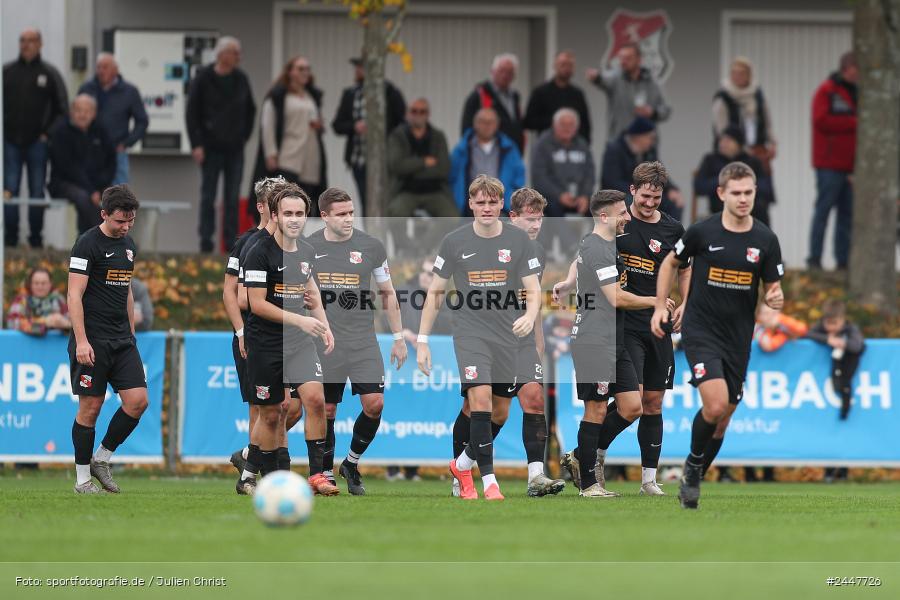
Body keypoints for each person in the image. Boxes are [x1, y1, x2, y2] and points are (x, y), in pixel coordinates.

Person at [651, 161, 784, 509]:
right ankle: (692, 472)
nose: (743, 199)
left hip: (738, 338)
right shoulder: (702, 232)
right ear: (722, 193)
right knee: (715, 404)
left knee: (723, 420)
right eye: (736, 193)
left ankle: (695, 471)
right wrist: (660, 306)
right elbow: (670, 263)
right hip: (701, 330)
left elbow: (773, 290)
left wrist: (774, 300)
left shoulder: (766, 240)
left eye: (749, 193)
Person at [559, 163, 689, 495]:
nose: (649, 203)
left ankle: (645, 479)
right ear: (633, 191)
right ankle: (591, 467)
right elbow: (590, 260)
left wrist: (684, 303)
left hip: (653, 325)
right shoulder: (614, 228)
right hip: (618, 327)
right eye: (645, 196)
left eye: (656, 198)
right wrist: (571, 279)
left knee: (649, 402)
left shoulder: (672, 231)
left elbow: (686, 268)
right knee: (609, 404)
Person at [417, 175, 542, 500]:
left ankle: (461, 464)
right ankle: (489, 482)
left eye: (492, 202)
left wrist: (529, 316)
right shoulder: (454, 241)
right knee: (480, 400)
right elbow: (435, 292)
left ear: (501, 204)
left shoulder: (519, 240)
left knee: (499, 412)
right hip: (471, 334)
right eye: (480, 202)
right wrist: (422, 339)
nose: (486, 208)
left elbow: (533, 288)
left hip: (507, 334)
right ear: (470, 204)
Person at [449, 187, 566, 497]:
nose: (535, 226)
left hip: (522, 338)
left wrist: (538, 341)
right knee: (479, 409)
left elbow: (533, 300)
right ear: (512, 216)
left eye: (540, 219)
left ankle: (536, 475)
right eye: (530, 219)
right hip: (486, 336)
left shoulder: (536, 251)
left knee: (534, 398)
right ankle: (460, 468)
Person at [238, 183, 338, 496]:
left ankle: (318, 475)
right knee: (271, 414)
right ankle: (257, 476)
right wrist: (300, 319)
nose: (294, 219)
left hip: (299, 342)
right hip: (265, 343)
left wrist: (324, 325)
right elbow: (256, 304)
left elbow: (312, 292)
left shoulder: (307, 252)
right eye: (288, 213)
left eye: (299, 213)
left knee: (316, 400)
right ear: (276, 216)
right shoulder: (258, 252)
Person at [307, 187, 407, 494]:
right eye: (341, 214)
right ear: (324, 216)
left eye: (351, 212)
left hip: (363, 339)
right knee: (326, 410)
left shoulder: (371, 246)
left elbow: (388, 293)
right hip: (325, 341)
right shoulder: (308, 248)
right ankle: (325, 474)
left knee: (374, 404)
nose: (349, 219)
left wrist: (399, 337)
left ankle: (351, 462)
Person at [67, 185, 147, 494]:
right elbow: (74, 295)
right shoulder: (86, 244)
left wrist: (131, 330)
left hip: (122, 339)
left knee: (138, 401)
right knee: (91, 408)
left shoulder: (128, 245)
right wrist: (82, 340)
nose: (125, 227)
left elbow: (125, 288)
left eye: (130, 222)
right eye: (119, 221)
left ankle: (102, 458)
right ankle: (83, 480)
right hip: (93, 340)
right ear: (104, 214)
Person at [224, 177, 286, 485]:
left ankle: (251, 456)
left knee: (288, 408)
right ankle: (262, 478)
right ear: (263, 207)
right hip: (256, 333)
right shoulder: (248, 243)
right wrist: (240, 331)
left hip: (288, 336)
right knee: (262, 409)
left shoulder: (292, 243)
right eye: (277, 201)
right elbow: (233, 294)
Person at [384, 258, 453, 482]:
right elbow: (386, 320)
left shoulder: (443, 300)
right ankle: (392, 468)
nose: (426, 276)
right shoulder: (402, 292)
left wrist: (424, 339)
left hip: (429, 368)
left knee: (420, 413)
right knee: (397, 413)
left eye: (431, 274)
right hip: (402, 364)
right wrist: (402, 332)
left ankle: (413, 469)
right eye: (424, 272)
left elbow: (449, 327)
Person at [186, 36, 256, 253]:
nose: (238, 57)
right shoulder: (204, 78)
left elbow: (250, 110)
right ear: (222, 55)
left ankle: (231, 242)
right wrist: (196, 144)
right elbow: (192, 113)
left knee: (232, 197)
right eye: (235, 52)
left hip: (234, 148)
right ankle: (205, 242)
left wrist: (243, 136)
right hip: (209, 148)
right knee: (208, 195)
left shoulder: (241, 79)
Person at [3, 28, 68, 248]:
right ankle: (10, 240)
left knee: (37, 191)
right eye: (22, 40)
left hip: (37, 145)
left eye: (31, 40)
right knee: (9, 190)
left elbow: (63, 109)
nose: (26, 44)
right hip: (10, 142)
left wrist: (46, 134)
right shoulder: (7, 72)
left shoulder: (49, 73)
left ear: (40, 44)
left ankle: (36, 240)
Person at [250, 56, 327, 213]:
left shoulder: (311, 96)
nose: (305, 72)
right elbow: (268, 124)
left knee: (306, 205)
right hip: (288, 157)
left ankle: (300, 237)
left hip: (310, 159)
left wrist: (318, 125)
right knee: (285, 203)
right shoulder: (278, 96)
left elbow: (314, 120)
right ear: (290, 72)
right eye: (300, 68)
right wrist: (271, 153)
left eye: (307, 69)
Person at [331, 56, 406, 211]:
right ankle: (372, 234)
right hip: (359, 160)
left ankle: (387, 234)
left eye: (361, 67)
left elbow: (402, 122)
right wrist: (354, 126)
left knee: (388, 202)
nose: (357, 70)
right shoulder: (351, 94)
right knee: (367, 204)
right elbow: (337, 125)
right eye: (357, 67)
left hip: (384, 161)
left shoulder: (389, 91)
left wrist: (382, 131)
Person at [808, 51, 858, 270]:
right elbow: (821, 120)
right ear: (848, 68)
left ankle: (842, 260)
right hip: (828, 164)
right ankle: (815, 259)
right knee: (823, 211)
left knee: (846, 215)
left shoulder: (858, 92)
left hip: (850, 166)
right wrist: (853, 122)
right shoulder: (827, 91)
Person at [48, 94, 117, 235]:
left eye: (87, 111)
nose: (82, 115)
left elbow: (111, 162)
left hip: (96, 185)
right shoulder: (60, 132)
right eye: (79, 110)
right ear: (72, 112)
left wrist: (98, 188)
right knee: (83, 198)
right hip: (65, 183)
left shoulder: (101, 131)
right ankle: (106, 238)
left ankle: (102, 240)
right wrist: (92, 190)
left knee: (115, 197)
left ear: (93, 113)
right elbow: (68, 168)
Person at [78, 53, 148, 185]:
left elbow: (142, 121)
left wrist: (127, 143)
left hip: (117, 152)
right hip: (89, 151)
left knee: (118, 196)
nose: (101, 71)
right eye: (98, 67)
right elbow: (75, 116)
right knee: (88, 195)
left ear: (115, 70)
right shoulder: (87, 88)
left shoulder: (129, 91)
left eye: (105, 67)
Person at [386, 98, 458, 222]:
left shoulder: (438, 137)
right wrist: (424, 162)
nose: (418, 115)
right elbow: (396, 166)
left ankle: (430, 242)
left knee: (452, 217)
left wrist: (410, 168)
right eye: (414, 111)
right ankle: (404, 243)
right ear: (408, 113)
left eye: (422, 111)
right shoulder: (397, 136)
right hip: (405, 191)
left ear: (428, 114)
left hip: (435, 191)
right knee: (395, 214)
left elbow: (443, 169)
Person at [531, 108, 594, 249]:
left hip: (579, 197)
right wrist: (559, 195)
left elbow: (590, 175)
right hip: (552, 197)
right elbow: (539, 178)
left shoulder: (582, 145)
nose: (567, 128)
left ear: (576, 127)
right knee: (553, 208)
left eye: (571, 125)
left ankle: (596, 247)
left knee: (598, 208)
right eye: (563, 124)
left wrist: (585, 195)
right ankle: (570, 246)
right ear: (554, 125)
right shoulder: (543, 145)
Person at [600, 117, 683, 220]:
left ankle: (668, 235)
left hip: (644, 193)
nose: (652, 142)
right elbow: (611, 181)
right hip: (621, 195)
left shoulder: (649, 152)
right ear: (639, 137)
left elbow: (659, 173)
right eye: (650, 138)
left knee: (673, 203)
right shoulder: (615, 150)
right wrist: (638, 191)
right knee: (631, 202)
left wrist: (671, 189)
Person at [587, 43, 671, 140]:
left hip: (646, 143)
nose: (623, 61)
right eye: (621, 58)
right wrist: (597, 78)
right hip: (619, 142)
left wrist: (653, 113)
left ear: (639, 60)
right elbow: (603, 79)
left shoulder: (653, 83)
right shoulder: (614, 78)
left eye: (628, 58)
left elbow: (666, 109)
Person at [449, 107, 524, 214]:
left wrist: (510, 200)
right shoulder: (462, 149)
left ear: (497, 125)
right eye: (482, 122)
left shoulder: (509, 148)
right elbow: (452, 177)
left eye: (491, 122)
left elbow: (519, 178)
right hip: (470, 207)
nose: (487, 126)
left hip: (501, 207)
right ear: (475, 124)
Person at [694, 125, 774, 225]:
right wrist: (724, 178)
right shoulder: (711, 160)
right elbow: (699, 187)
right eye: (722, 140)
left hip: (751, 214)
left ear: (738, 144)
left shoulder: (752, 161)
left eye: (728, 141)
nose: (723, 144)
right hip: (719, 212)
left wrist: (745, 183)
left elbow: (767, 190)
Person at [712, 57, 776, 173]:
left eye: (741, 73)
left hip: (758, 149)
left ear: (749, 75)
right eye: (734, 73)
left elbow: (767, 121)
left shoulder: (757, 94)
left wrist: (772, 142)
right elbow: (722, 130)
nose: (737, 76)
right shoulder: (723, 97)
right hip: (733, 153)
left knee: (762, 185)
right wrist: (739, 148)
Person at [807, 299, 865, 422]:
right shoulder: (821, 326)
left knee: (845, 383)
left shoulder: (850, 328)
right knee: (836, 383)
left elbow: (857, 346)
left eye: (835, 323)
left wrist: (842, 343)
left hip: (849, 359)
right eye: (828, 323)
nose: (831, 327)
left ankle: (845, 411)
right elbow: (807, 333)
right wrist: (827, 339)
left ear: (842, 320)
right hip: (835, 361)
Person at [523, 50, 591, 143]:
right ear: (555, 66)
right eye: (563, 65)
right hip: (547, 146)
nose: (566, 68)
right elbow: (529, 122)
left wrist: (585, 145)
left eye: (570, 65)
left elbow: (585, 124)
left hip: (572, 146)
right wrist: (556, 123)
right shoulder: (540, 92)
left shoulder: (578, 94)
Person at [460, 53, 524, 152]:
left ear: (514, 75)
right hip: (488, 155)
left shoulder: (515, 97)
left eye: (510, 72)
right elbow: (467, 129)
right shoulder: (479, 96)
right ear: (492, 71)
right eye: (501, 71)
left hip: (512, 154)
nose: (505, 75)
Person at [6, 267, 70, 334]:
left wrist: (66, 324)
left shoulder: (58, 300)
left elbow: (72, 321)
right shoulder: (21, 300)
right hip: (27, 343)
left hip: (55, 343)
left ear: (50, 284)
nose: (40, 287)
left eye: (44, 283)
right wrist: (45, 322)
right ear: (30, 284)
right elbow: (12, 322)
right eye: (36, 283)